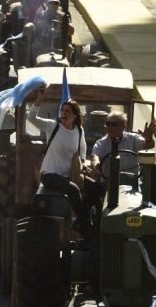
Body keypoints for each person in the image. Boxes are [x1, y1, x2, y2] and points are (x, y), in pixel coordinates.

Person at [27, 86, 100, 234]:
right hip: (50, 175)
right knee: (73, 189)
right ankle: (85, 223)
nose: (64, 113)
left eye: (67, 111)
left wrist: (84, 164)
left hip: (70, 175)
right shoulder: (53, 126)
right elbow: (31, 118)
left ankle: (83, 220)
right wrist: (39, 99)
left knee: (96, 188)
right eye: (62, 110)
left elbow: (82, 148)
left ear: (74, 116)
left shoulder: (79, 130)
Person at [89, 111, 156, 182]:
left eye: (114, 124)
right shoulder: (101, 143)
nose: (110, 127)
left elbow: (148, 145)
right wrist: (96, 169)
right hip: (108, 183)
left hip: (131, 184)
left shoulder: (132, 139)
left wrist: (148, 139)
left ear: (123, 126)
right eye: (108, 124)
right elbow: (95, 158)